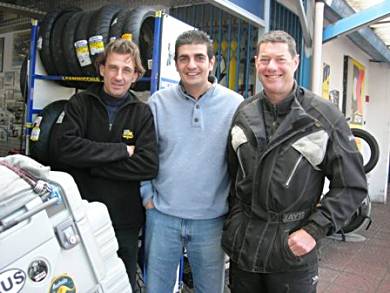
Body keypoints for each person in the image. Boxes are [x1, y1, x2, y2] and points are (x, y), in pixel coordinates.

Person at [222, 30, 368, 293]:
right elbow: (233, 176)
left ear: (296, 62)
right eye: (265, 60)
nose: (272, 67)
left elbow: (351, 186)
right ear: (256, 63)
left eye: (280, 59)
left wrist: (314, 230)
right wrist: (234, 221)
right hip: (244, 247)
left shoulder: (324, 117)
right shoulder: (244, 112)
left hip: (291, 250)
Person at [51, 38, 158, 291]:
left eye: (127, 70)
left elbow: (147, 165)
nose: (118, 76)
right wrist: (121, 150)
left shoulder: (142, 113)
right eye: (113, 68)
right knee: (80, 281)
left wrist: (93, 166)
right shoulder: (80, 104)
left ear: (136, 76)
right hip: (80, 215)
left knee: (121, 283)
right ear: (101, 69)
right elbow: (64, 149)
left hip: (125, 221)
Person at [141, 30, 243, 293]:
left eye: (199, 57)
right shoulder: (157, 103)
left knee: (210, 289)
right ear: (175, 64)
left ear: (211, 62)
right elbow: (145, 153)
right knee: (156, 288)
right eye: (183, 58)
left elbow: (244, 162)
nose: (191, 65)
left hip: (211, 220)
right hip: (162, 215)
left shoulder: (235, 105)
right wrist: (146, 196)